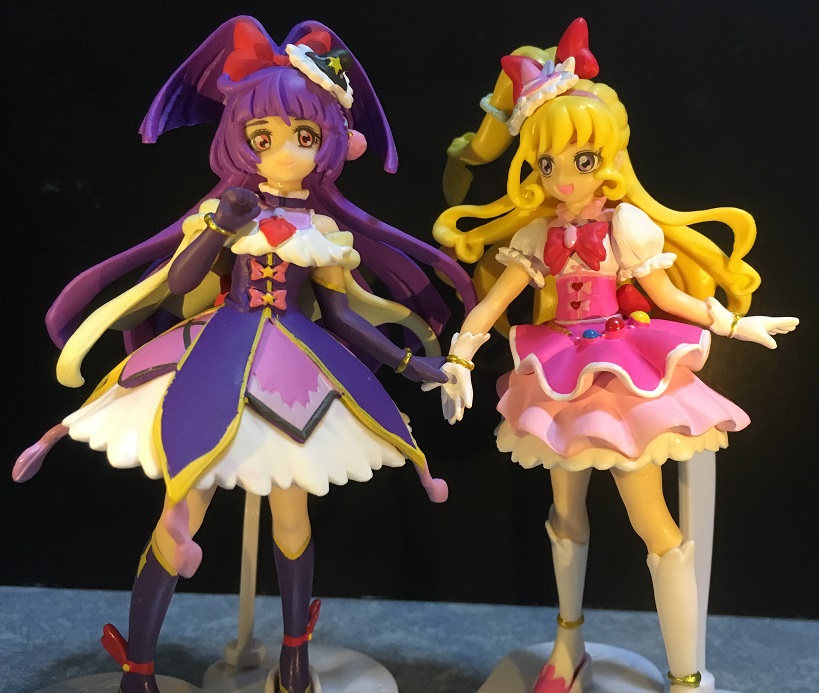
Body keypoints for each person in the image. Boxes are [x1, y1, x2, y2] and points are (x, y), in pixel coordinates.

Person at [14, 16, 475, 693]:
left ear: (331, 142)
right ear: (240, 139)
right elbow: (179, 283)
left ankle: (294, 657)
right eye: (264, 137)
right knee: (183, 495)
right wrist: (220, 229)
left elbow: (343, 316)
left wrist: (413, 366)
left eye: (303, 136)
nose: (283, 151)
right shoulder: (227, 212)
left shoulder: (323, 232)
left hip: (294, 366)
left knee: (291, 510)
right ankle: (139, 666)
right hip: (217, 352)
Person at [427, 17, 798, 693]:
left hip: (622, 371)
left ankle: (686, 674)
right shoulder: (536, 234)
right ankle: (567, 647)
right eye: (547, 163)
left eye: (580, 160)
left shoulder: (627, 225)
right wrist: (460, 354)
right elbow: (494, 300)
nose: (563, 178)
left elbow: (668, 296)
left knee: (650, 520)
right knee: (565, 514)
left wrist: (732, 322)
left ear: (607, 156)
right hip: (555, 373)